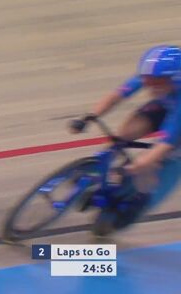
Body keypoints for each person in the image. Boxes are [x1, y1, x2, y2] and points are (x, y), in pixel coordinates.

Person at [69, 45, 181, 232]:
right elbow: (116, 96)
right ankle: (98, 171)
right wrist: (90, 116)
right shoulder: (153, 77)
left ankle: (140, 201)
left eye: (157, 82)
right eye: (147, 80)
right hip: (165, 106)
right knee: (121, 136)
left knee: (154, 164)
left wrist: (140, 165)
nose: (150, 86)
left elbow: (168, 140)